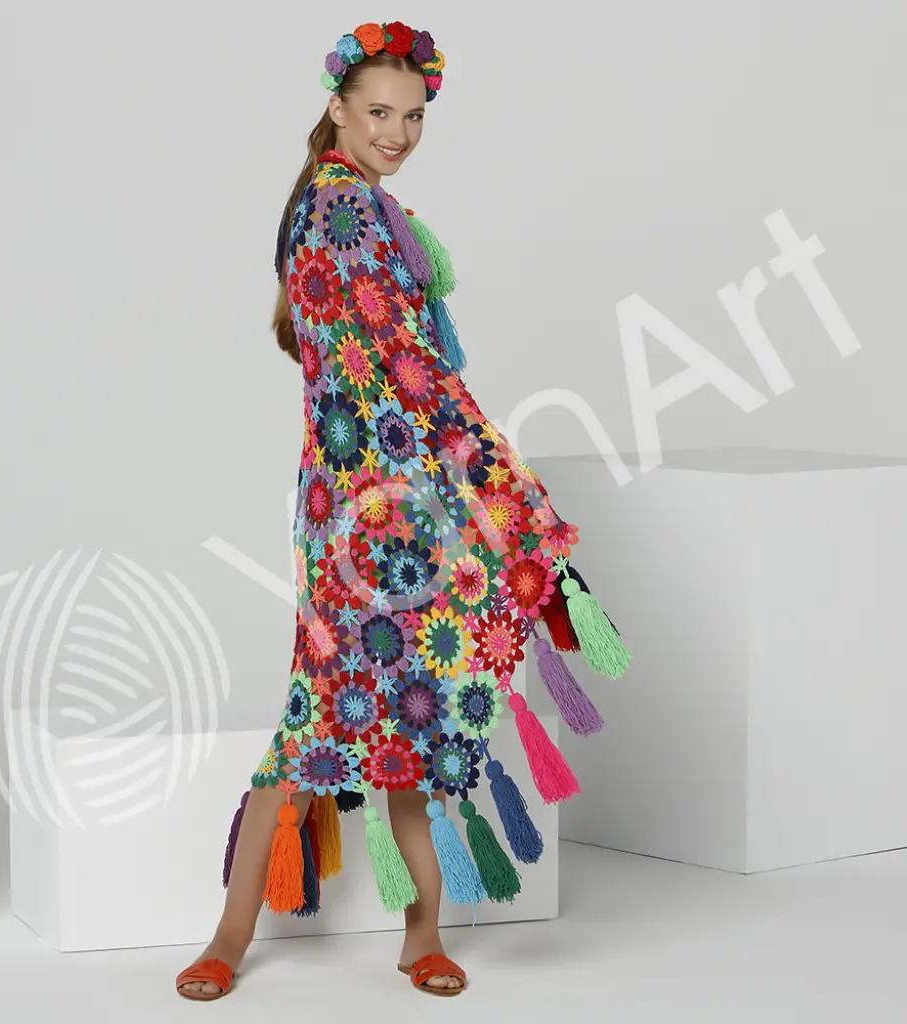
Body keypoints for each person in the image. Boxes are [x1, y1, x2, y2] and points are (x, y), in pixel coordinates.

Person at [175, 20, 632, 1002]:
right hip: (363, 509)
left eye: (414, 116)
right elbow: (403, 369)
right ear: (337, 107)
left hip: (391, 501)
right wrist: (498, 475)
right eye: (380, 112)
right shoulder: (341, 212)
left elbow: (398, 369)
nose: (398, 132)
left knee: (400, 711)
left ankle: (412, 934)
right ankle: (232, 934)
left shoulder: (369, 210)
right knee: (327, 706)